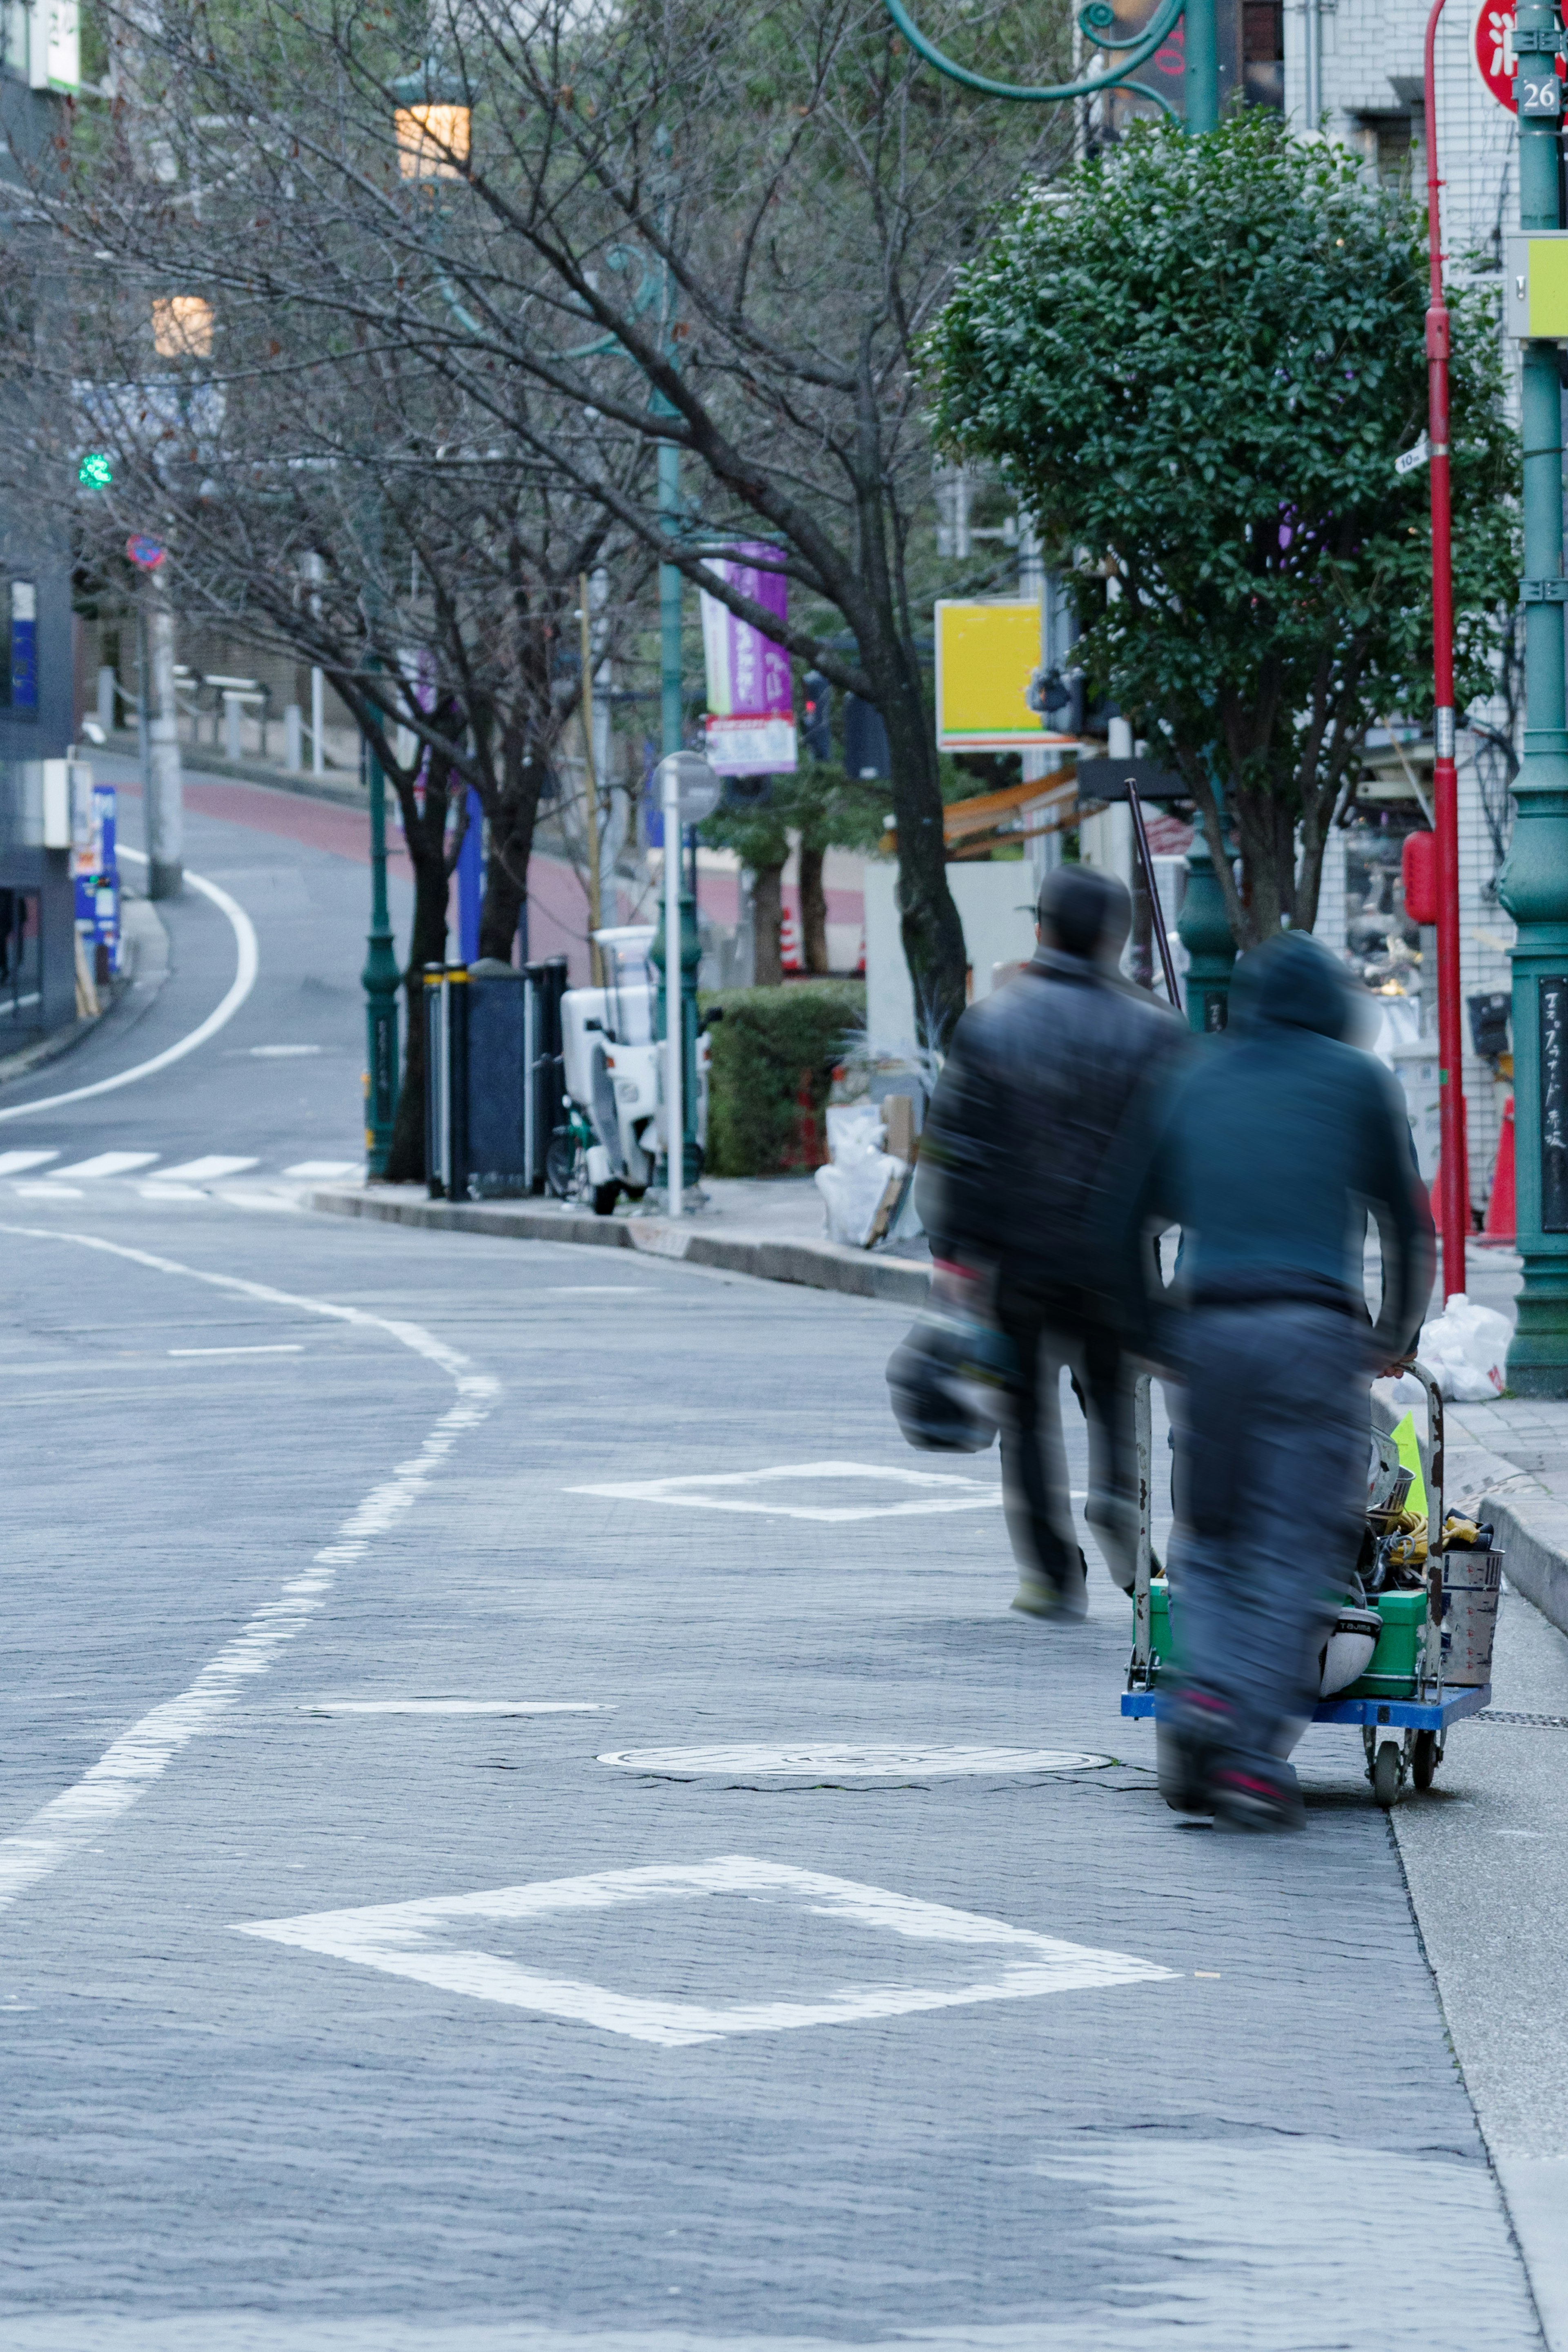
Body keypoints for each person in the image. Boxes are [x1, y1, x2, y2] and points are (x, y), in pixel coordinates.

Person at [1109, 931, 1436, 1831]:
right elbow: (1408, 1224)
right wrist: (1394, 1336)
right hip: (1312, 1335)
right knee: (1296, 1542)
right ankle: (1249, 1747)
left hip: (1209, 1335)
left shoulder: (1193, 1076)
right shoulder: (1360, 1081)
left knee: (1210, 1535)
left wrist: (1151, 1333)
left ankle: (1206, 1694)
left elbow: (1125, 1220)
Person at [916, 864, 1184, 1619]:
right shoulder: (1156, 1029)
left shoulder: (995, 1022)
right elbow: (1177, 1158)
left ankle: (1049, 1573)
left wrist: (953, 1258)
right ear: (1116, 938)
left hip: (1014, 1260)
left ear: (1044, 931)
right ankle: (1121, 1522)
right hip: (1118, 1259)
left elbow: (955, 1151)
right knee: (1117, 1403)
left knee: (1024, 1417)